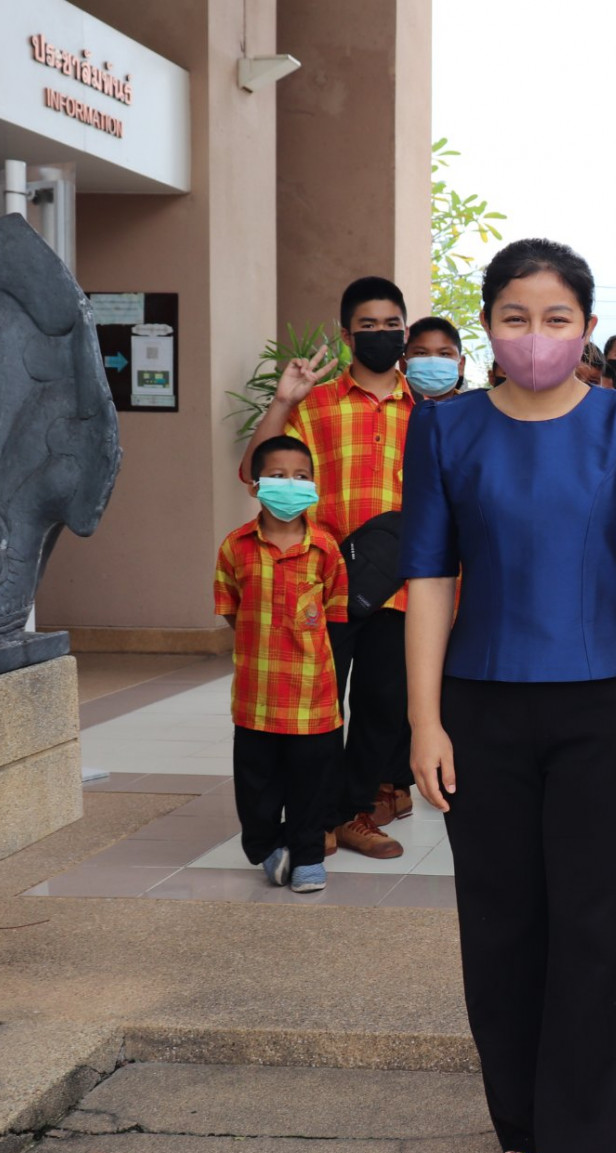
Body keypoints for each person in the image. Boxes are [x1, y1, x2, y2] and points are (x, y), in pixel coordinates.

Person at [400, 237, 616, 1153]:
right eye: (515, 317)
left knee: (599, 926)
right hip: (481, 707)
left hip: (605, 707)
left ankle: (585, 1152)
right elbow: (429, 578)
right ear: (487, 325)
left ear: (587, 327)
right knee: (502, 923)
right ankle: (520, 1125)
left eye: (556, 318)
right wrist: (424, 718)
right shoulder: (444, 428)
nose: (535, 336)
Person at [236, 275, 415, 861]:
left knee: (383, 708)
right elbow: (254, 474)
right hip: (321, 583)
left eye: (392, 325)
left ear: (405, 330)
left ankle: (352, 812)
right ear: (346, 335)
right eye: (369, 326)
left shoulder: (430, 412)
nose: (382, 334)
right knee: (316, 707)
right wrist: (283, 401)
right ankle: (310, 818)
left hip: (401, 588)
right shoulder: (315, 405)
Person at [215, 435, 346, 895]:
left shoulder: (326, 549)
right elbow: (231, 608)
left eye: (301, 476)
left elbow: (335, 613)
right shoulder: (235, 547)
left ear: (314, 485)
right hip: (257, 699)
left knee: (312, 784)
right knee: (257, 784)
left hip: (313, 698)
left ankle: (308, 856)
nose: (290, 484)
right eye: (277, 475)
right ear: (255, 486)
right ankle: (267, 847)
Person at [403, 317, 468, 401]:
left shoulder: (476, 408)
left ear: (461, 364)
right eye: (421, 353)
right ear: (403, 363)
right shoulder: (386, 406)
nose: (432, 361)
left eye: (444, 354)